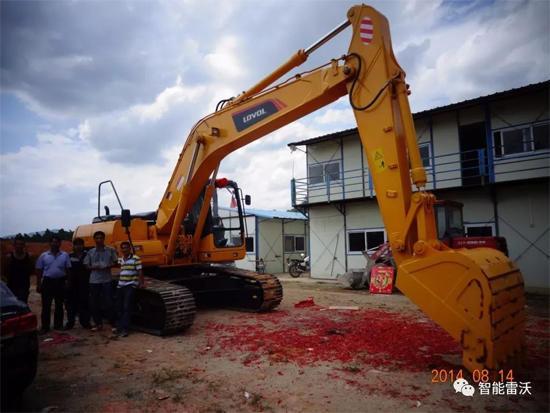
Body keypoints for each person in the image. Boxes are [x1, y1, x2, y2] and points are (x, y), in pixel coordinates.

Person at [36, 236, 72, 334]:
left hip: (60, 282)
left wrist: (68, 282)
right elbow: (39, 270)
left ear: (60, 244)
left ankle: (58, 325)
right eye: (53, 242)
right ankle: (45, 327)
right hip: (47, 283)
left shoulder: (65, 255)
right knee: (46, 306)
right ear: (50, 243)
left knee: (59, 305)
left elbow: (68, 269)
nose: (55, 244)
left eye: (57, 242)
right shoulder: (44, 256)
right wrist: (38, 284)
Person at [84, 231, 118, 332]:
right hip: (94, 280)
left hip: (106, 279)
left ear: (104, 239)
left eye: (101, 238)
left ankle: (112, 323)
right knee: (94, 303)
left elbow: (115, 262)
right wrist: (95, 267)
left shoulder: (110, 250)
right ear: (94, 239)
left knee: (109, 302)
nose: (99, 240)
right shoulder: (90, 252)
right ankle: (98, 323)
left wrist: (109, 266)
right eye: (97, 238)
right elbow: (86, 266)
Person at [113, 241, 145, 337]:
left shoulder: (136, 258)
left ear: (130, 249)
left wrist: (141, 283)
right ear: (121, 249)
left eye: (127, 248)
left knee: (127, 307)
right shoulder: (121, 259)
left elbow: (140, 271)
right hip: (121, 285)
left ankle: (124, 328)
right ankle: (120, 326)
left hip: (130, 285)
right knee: (119, 307)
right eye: (123, 248)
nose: (125, 250)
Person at [65, 238, 91, 329]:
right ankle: (70, 323)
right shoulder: (69, 256)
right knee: (71, 304)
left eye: (80, 244)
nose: (79, 246)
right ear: (74, 246)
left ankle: (85, 323)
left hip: (85, 283)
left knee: (84, 303)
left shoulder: (88, 255)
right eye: (77, 244)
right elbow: (66, 270)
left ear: (83, 245)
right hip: (72, 284)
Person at [2, 236, 35, 303]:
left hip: (24, 287)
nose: (20, 246)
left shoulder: (30, 257)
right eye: (18, 244)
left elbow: (32, 270)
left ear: (24, 245)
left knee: (23, 305)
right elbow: (4, 271)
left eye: (22, 244)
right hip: (11, 287)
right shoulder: (9, 258)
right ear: (14, 245)